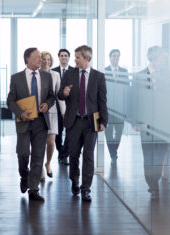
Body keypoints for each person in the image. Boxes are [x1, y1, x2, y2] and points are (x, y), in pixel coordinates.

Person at [58, 45, 108, 202]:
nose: (74, 60)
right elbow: (60, 94)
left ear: (87, 58)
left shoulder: (98, 77)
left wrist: (104, 121)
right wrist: (63, 93)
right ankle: (75, 182)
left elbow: (102, 101)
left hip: (90, 122)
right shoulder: (69, 74)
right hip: (73, 122)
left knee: (88, 156)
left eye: (78, 57)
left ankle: (86, 189)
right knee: (73, 155)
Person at [7, 47, 55, 202]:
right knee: (23, 153)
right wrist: (20, 113)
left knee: (38, 155)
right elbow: (10, 100)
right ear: (27, 59)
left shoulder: (47, 76)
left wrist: (47, 104)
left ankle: (33, 189)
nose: (41, 60)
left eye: (41, 57)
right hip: (24, 121)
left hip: (41, 121)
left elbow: (51, 96)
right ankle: (24, 176)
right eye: (37, 57)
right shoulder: (16, 78)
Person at [134, 45, 170, 199]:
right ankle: (153, 185)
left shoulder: (167, 76)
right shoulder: (139, 76)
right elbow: (133, 100)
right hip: (146, 124)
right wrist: (135, 122)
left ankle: (154, 182)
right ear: (155, 58)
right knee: (148, 155)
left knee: (160, 155)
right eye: (162, 58)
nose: (164, 61)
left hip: (164, 124)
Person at [40, 51, 66, 181]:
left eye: (48, 59)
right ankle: (40, 169)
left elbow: (59, 95)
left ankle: (48, 163)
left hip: (52, 112)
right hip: (38, 113)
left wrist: (63, 111)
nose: (46, 61)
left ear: (51, 61)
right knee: (38, 143)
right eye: (44, 59)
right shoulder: (36, 74)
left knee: (51, 142)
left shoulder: (55, 75)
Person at [104, 49, 128, 163]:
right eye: (113, 56)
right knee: (108, 134)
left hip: (120, 109)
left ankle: (114, 151)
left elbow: (127, 90)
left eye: (117, 56)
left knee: (119, 133)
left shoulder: (124, 71)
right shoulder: (104, 71)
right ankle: (113, 154)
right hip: (108, 109)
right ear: (110, 58)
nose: (115, 58)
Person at [52, 49, 74, 165]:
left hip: (70, 107)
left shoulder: (74, 72)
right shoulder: (53, 71)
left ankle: (64, 155)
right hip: (56, 107)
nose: (64, 57)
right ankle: (61, 152)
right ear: (59, 57)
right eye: (62, 56)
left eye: (66, 55)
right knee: (57, 133)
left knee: (70, 133)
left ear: (69, 57)